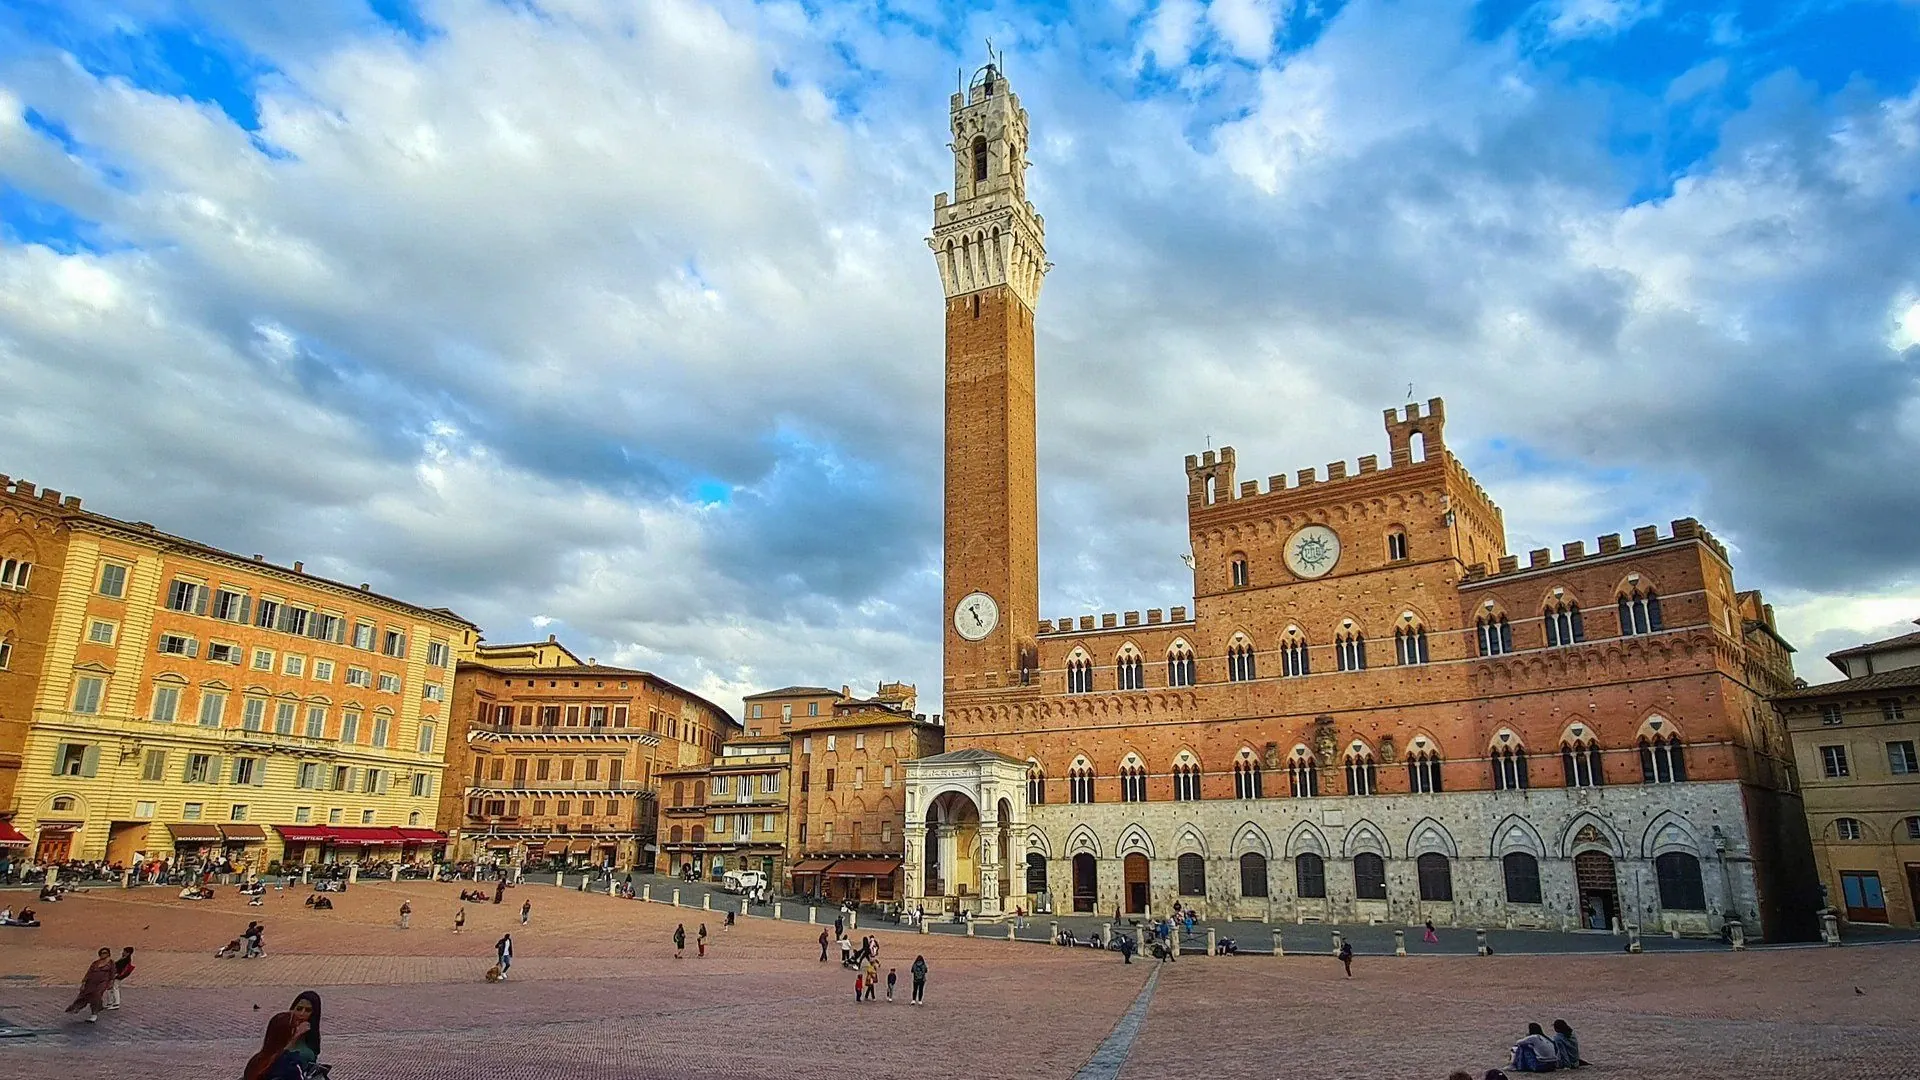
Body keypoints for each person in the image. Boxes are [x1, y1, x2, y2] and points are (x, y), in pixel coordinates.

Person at [243, 990, 323, 1080]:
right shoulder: (282, 1028)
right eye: (299, 1009)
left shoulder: (311, 1038)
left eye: (307, 1010)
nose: (301, 1014)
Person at [66, 948, 116, 1023]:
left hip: (102, 982)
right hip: (91, 982)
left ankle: (94, 1013)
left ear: (108, 954)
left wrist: (111, 983)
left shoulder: (111, 963)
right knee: (84, 995)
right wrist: (84, 982)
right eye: (102, 953)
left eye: (105, 953)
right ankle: (76, 1008)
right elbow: (89, 972)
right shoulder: (95, 963)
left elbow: (112, 974)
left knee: (96, 995)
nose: (103, 954)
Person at [102, 946, 133, 1011]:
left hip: (117, 976)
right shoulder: (124, 959)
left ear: (128, 953)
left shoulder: (125, 960)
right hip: (115, 975)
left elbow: (119, 968)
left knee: (115, 988)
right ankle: (110, 1002)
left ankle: (116, 1003)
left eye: (124, 951)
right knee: (110, 988)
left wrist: (116, 974)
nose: (123, 952)